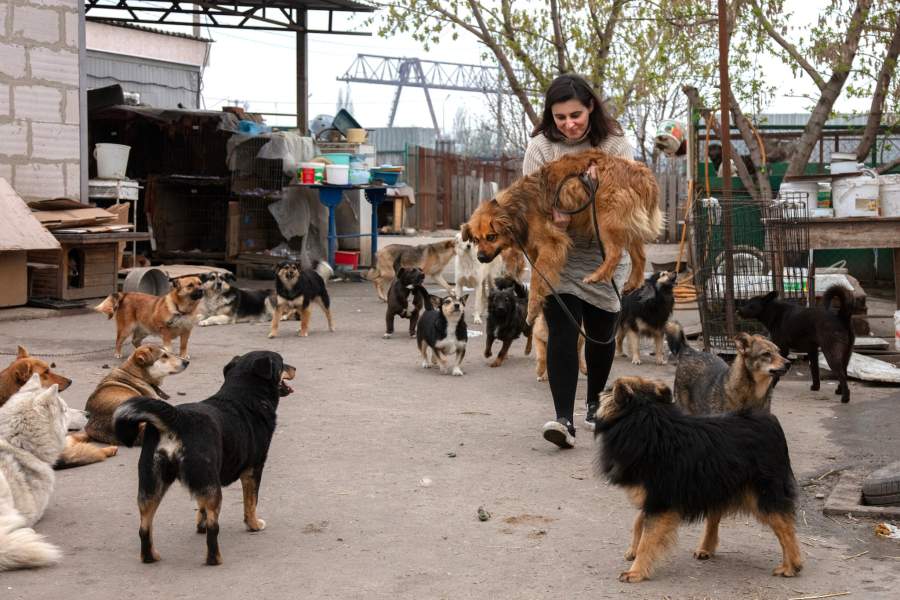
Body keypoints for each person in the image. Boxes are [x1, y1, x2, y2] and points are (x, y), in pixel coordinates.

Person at [522, 73, 634, 449]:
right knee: (562, 331)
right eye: (560, 118)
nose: (569, 124)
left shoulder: (615, 142)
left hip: (603, 249)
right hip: (559, 249)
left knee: (602, 334)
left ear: (590, 108)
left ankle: (594, 404)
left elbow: (625, 197)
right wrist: (553, 212)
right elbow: (531, 199)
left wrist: (592, 195)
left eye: (576, 115)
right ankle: (563, 418)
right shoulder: (541, 147)